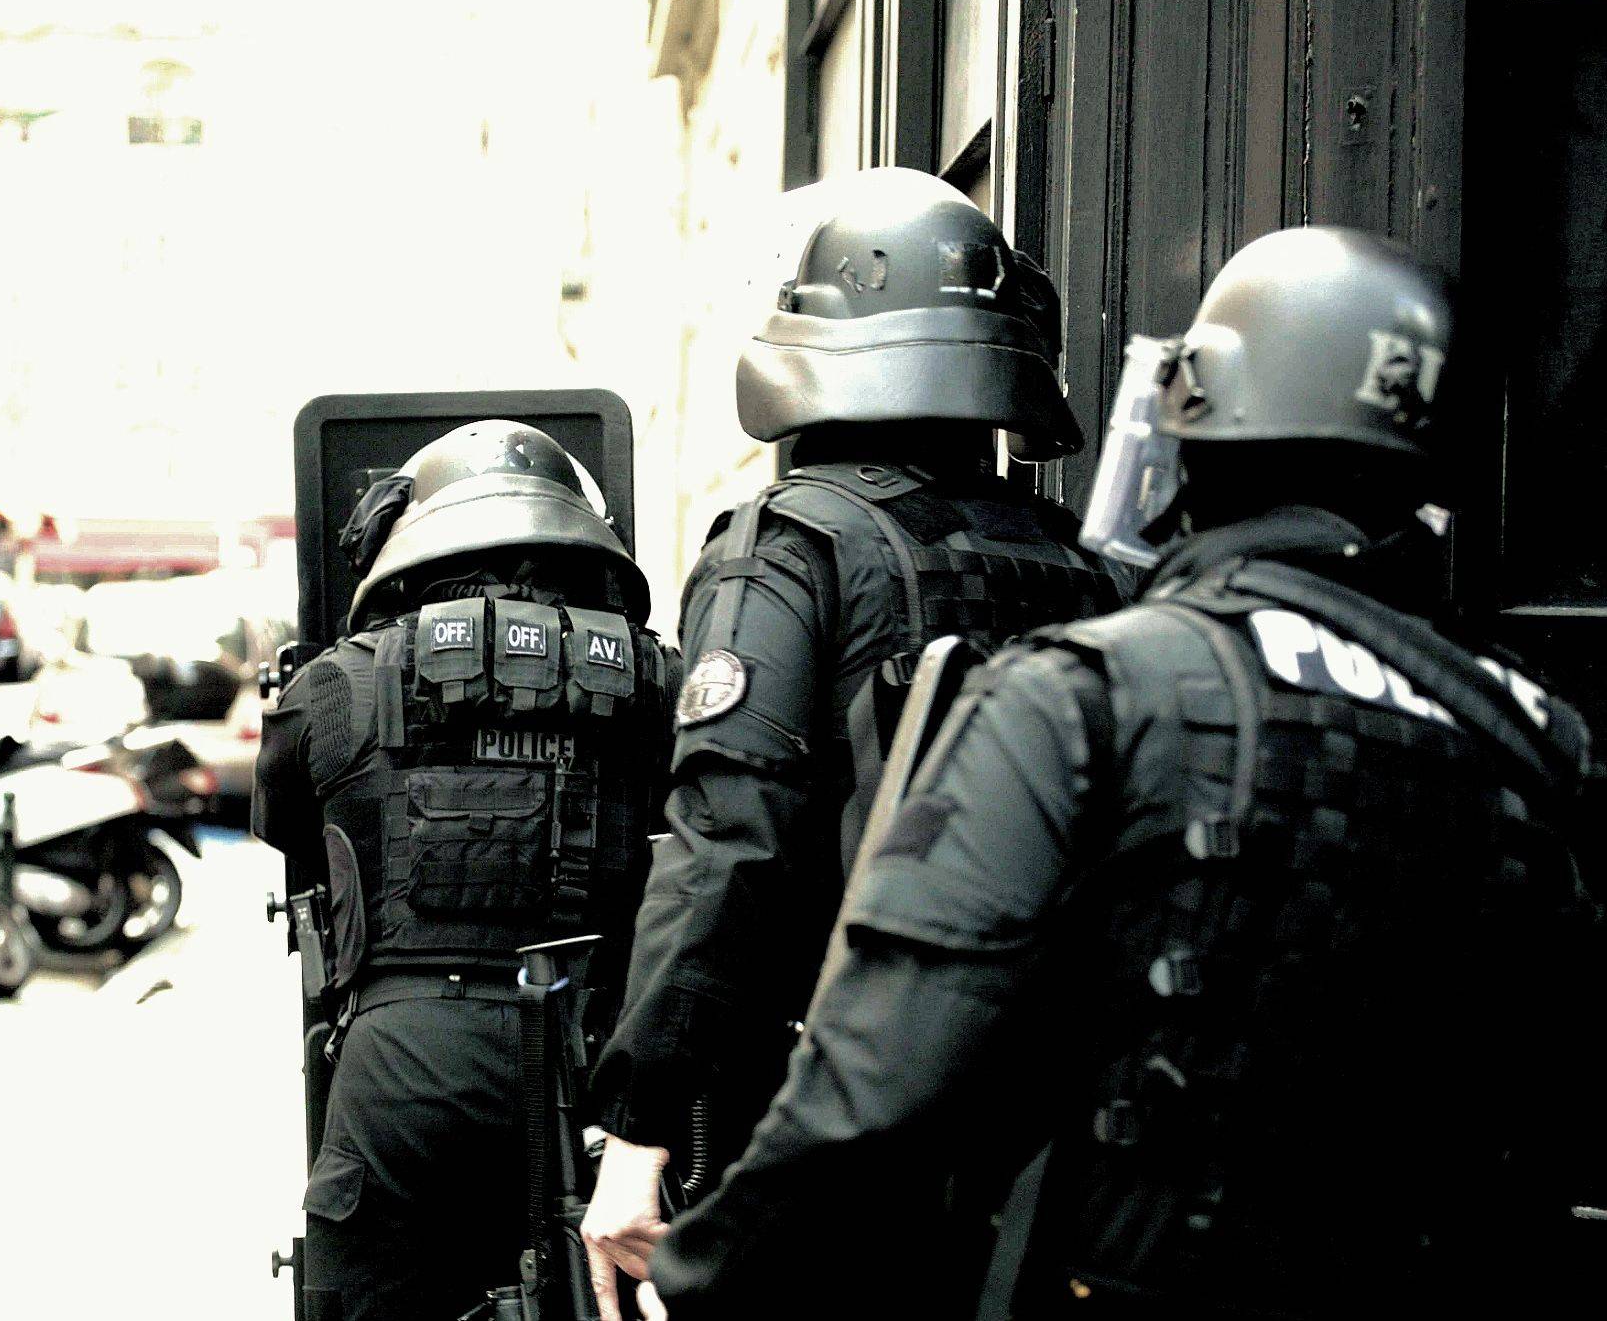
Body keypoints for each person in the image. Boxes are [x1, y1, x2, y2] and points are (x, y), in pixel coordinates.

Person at [636, 226, 1607, 1319]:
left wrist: (702, 1277)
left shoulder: (1095, 690)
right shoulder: (1536, 738)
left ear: (1203, 420)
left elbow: (874, 1089)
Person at [582, 167, 1123, 1311]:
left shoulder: (790, 540)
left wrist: (637, 1128)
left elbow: (728, 839)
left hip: (836, 1117)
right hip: (1045, 1133)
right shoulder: (1085, 565)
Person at [253, 420, 676, 1321]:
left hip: (404, 1069)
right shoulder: (657, 678)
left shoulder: (333, 685)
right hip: (598, 1058)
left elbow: (289, 837)